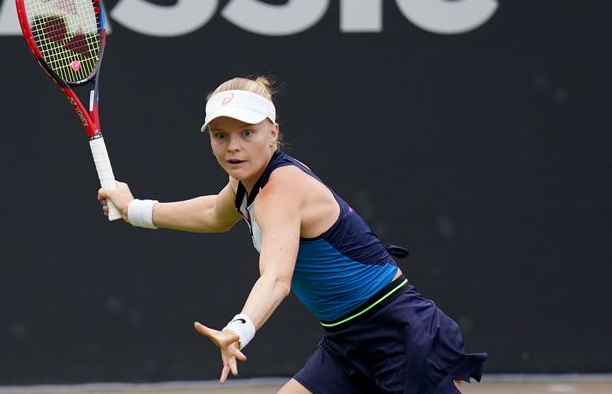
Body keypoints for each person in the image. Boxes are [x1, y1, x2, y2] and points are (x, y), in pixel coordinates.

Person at [97, 76, 487, 393]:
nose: (233, 147)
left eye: (247, 133)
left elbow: (277, 279)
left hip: (398, 336)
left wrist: (239, 328)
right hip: (345, 344)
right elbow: (214, 214)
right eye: (220, 135)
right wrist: (136, 210)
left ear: (273, 133)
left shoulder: (281, 189)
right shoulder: (246, 185)